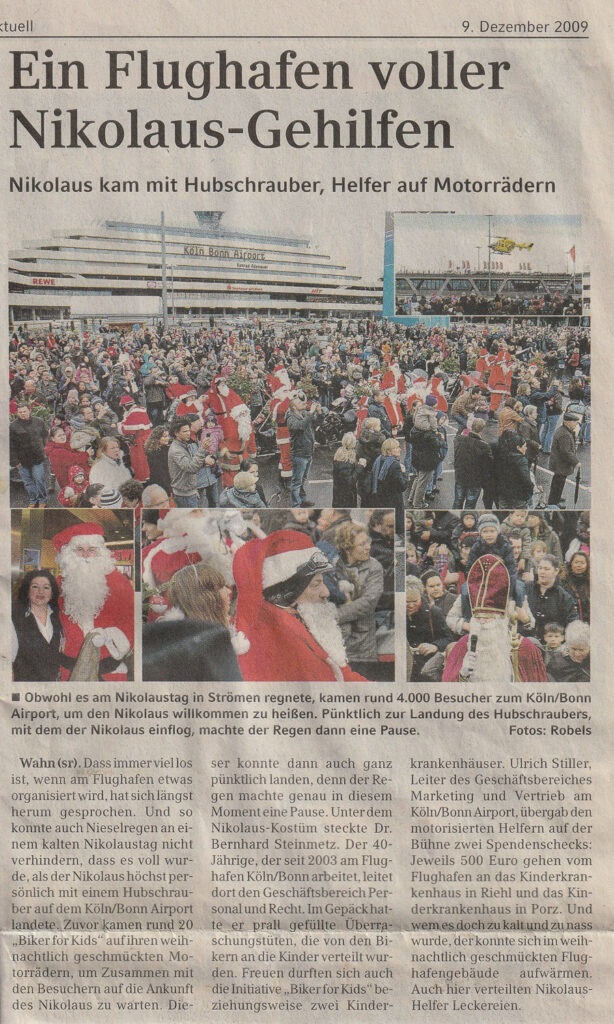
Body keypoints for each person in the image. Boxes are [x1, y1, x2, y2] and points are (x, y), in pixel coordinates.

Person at [234, 530, 366, 682]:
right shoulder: (271, 640)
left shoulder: (300, 621)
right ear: (289, 593)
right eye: (316, 584)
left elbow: (345, 675)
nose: (326, 593)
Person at [443, 554, 547, 682]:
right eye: (479, 618)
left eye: (488, 618)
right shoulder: (462, 647)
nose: (483, 623)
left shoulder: (523, 648)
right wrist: (463, 675)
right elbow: (449, 691)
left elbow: (536, 692)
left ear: (501, 619)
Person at [54, 522, 134, 681]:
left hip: (109, 670)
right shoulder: (58, 584)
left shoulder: (119, 582)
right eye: (79, 550)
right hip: (69, 669)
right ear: (70, 554)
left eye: (91, 550)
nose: (85, 555)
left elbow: (131, 618)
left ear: (100, 553)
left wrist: (111, 635)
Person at [143, 564, 243, 682]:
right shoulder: (182, 653)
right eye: (221, 586)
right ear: (204, 598)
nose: (228, 591)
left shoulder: (229, 634)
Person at [334, 521, 385, 678]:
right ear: (348, 547)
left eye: (367, 542)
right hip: (336, 643)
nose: (368, 547)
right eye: (361, 544)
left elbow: (368, 603)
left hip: (362, 646)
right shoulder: (335, 565)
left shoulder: (374, 567)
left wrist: (335, 615)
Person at [12, 570, 70, 682]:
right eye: (35, 586)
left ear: (52, 593)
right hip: (25, 688)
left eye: (46, 587)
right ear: (27, 590)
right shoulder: (14, 617)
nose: (40, 592)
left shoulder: (59, 617)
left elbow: (58, 654)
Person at [406, 577, 454, 682]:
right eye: (406, 601)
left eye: (415, 601)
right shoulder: (397, 613)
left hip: (426, 668)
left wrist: (435, 646)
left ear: (421, 595)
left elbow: (449, 639)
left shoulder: (433, 612)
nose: (410, 605)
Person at [524, 555, 579, 644]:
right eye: (540, 568)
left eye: (546, 569)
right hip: (527, 642)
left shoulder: (564, 597)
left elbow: (572, 624)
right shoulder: (527, 589)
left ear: (556, 571)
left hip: (553, 647)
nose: (542, 572)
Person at [168, 416, 217, 508]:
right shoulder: (177, 450)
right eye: (185, 431)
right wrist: (202, 448)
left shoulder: (183, 444)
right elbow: (191, 468)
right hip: (184, 496)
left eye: (188, 431)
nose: (188, 434)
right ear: (176, 433)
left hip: (189, 492)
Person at [9, 402, 49, 507]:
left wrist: (45, 450)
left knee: (39, 479)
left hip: (37, 458)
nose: (22, 414)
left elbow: (46, 437)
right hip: (22, 460)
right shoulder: (13, 426)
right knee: (27, 482)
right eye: (20, 412)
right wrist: (15, 462)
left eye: (24, 411)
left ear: (29, 410)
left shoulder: (39, 422)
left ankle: (42, 500)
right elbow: (11, 446)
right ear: (17, 413)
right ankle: (33, 500)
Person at [286, 391, 321, 508]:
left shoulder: (305, 414)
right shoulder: (291, 418)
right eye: (299, 402)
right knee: (297, 481)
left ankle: (302, 500)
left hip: (308, 452)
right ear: (294, 407)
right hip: (299, 454)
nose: (303, 403)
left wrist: (319, 413)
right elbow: (300, 427)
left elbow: (317, 424)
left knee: (303, 479)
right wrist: (311, 412)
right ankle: (295, 505)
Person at [368, 437, 406, 533]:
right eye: (396, 447)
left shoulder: (379, 459)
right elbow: (402, 486)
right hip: (393, 500)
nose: (400, 449)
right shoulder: (395, 465)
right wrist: (404, 473)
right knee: (397, 526)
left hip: (380, 498)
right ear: (389, 451)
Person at [452, 417, 492, 509]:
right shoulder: (484, 446)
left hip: (460, 476)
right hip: (475, 479)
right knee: (470, 504)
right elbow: (488, 465)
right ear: (482, 429)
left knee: (458, 501)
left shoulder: (459, 439)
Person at [548, 410, 581, 507]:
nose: (576, 424)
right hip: (561, 464)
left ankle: (556, 498)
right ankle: (553, 501)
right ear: (567, 422)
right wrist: (576, 462)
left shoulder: (564, 430)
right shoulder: (565, 434)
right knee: (558, 483)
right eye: (574, 422)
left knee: (558, 482)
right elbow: (566, 452)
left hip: (559, 463)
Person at [143, 425, 172, 495]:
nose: (167, 438)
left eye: (168, 436)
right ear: (157, 438)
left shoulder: (165, 448)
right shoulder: (154, 453)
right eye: (164, 436)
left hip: (167, 481)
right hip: (160, 484)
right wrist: (169, 489)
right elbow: (160, 473)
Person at [332, 432, 358, 507]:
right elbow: (350, 481)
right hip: (347, 498)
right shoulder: (347, 460)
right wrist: (360, 467)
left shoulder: (339, 453)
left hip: (338, 494)